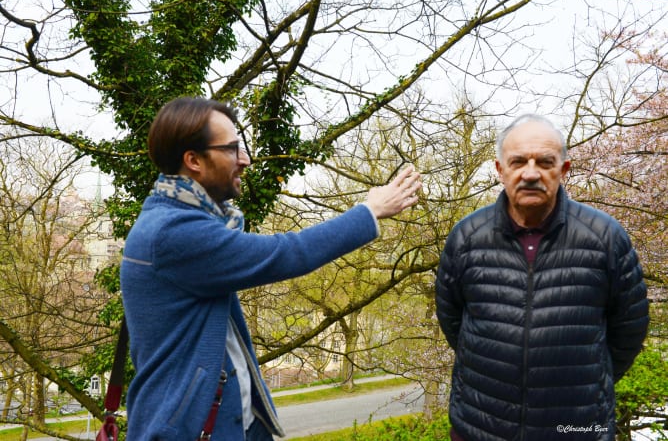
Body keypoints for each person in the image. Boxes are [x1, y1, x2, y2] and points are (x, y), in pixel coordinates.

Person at [119, 96, 421, 440]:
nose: (245, 160)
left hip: (232, 424)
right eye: (232, 149)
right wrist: (369, 211)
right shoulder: (176, 233)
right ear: (193, 160)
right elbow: (287, 253)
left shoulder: (178, 218)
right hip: (192, 429)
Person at [435, 114, 649, 441]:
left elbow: (629, 328)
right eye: (518, 161)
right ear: (500, 169)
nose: (531, 173)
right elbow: (453, 319)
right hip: (481, 426)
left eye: (545, 162)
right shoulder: (466, 237)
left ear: (563, 170)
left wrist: (589, 381)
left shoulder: (605, 237)